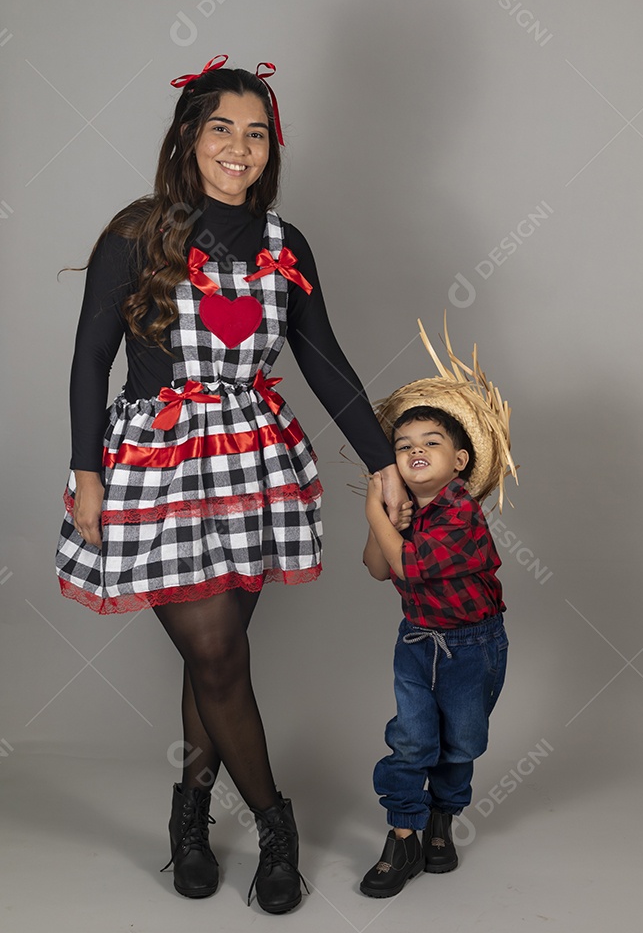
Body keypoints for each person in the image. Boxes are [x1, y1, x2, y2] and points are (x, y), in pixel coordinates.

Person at [55, 55, 406, 915]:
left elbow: (326, 365)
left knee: (220, 659)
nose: (238, 148)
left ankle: (187, 818)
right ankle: (276, 828)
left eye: (256, 133)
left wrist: (385, 459)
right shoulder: (136, 234)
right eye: (221, 129)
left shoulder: (289, 246)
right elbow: (90, 359)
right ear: (188, 136)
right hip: (158, 465)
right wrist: (85, 472)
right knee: (214, 654)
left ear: (270, 148)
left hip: (255, 468)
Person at [359, 320, 517, 898]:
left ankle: (442, 818)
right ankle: (403, 833)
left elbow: (406, 566)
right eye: (402, 446)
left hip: (473, 647)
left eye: (430, 442)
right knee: (410, 739)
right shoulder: (406, 513)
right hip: (417, 641)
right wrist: (388, 514)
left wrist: (376, 504)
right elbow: (378, 565)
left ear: (460, 459)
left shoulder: (461, 513)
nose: (415, 450)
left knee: (462, 742)